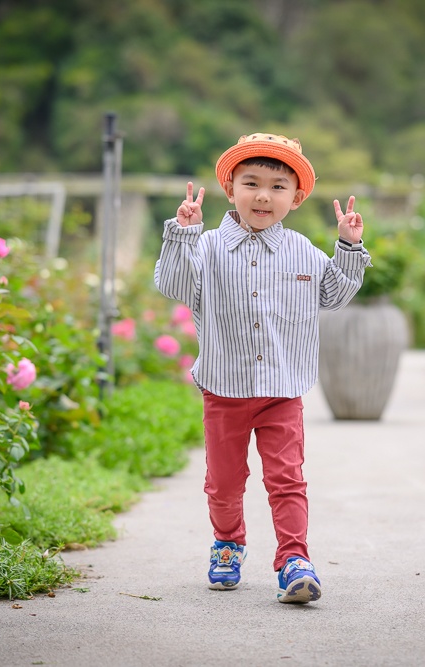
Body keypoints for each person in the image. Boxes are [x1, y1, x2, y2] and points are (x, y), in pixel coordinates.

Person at [154, 132, 371, 603]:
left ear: (297, 198)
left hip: (282, 391)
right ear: (230, 189)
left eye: (278, 187)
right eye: (251, 183)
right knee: (224, 484)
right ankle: (227, 544)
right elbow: (173, 284)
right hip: (224, 390)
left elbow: (334, 295)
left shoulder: (303, 251)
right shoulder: (206, 247)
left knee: (287, 479)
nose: (263, 196)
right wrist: (184, 232)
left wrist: (349, 246)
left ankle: (294, 560)